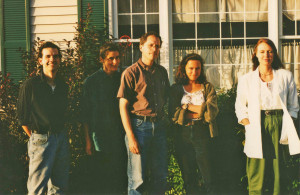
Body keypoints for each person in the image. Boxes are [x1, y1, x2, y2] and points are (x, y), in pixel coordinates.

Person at [235, 38, 300, 194]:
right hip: (257, 122)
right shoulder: (246, 79)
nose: (266, 55)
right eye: (262, 51)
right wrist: (247, 123)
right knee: (257, 166)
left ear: (274, 54)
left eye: (270, 51)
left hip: (279, 122)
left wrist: (288, 121)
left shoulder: (286, 76)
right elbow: (239, 105)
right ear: (256, 54)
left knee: (280, 167)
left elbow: (293, 105)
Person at [117, 31, 170, 195]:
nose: (154, 49)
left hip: (159, 128)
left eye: (157, 46)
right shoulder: (131, 73)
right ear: (141, 47)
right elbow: (123, 106)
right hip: (139, 128)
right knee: (137, 180)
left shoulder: (162, 72)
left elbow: (166, 99)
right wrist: (131, 137)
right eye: (150, 45)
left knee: (160, 176)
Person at [17, 42, 69, 194]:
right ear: (40, 60)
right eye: (47, 56)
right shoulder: (30, 85)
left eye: (56, 56)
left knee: (59, 187)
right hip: (41, 139)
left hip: (62, 138)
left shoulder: (62, 85)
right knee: (37, 188)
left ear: (60, 59)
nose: (52, 59)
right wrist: (38, 138)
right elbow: (22, 118)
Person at [169, 53, 219, 194]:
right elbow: (173, 114)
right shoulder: (176, 89)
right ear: (184, 69)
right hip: (182, 133)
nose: (194, 72)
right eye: (191, 68)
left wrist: (187, 107)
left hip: (203, 132)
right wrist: (201, 110)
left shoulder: (207, 87)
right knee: (188, 174)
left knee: (208, 174)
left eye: (197, 68)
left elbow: (212, 112)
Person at [81, 42, 127, 194]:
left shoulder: (123, 79)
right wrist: (88, 141)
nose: (115, 62)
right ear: (101, 59)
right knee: (102, 175)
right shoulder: (91, 82)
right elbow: (85, 114)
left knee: (120, 175)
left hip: (120, 135)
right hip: (99, 136)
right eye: (111, 58)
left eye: (117, 58)